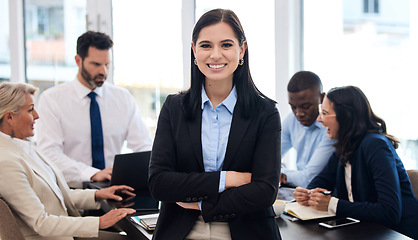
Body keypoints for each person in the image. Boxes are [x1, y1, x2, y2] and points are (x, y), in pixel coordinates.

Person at [148, 8, 281, 240]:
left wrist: (204, 206)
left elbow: (265, 190)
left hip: (247, 230)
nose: (216, 55)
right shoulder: (174, 108)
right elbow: (159, 183)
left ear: (242, 49)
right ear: (194, 50)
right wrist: (227, 179)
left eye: (226, 45)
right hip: (181, 230)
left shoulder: (265, 113)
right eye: (206, 45)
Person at [0, 82, 136, 240]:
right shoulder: (7, 162)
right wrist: (99, 222)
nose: (37, 115)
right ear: (9, 117)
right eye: (30, 109)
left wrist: (98, 194)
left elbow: (55, 196)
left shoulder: (26, 146)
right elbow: (41, 222)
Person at [293, 86, 418, 239]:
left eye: (324, 113)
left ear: (345, 116)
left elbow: (389, 211)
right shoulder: (344, 146)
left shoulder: (375, 145)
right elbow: (322, 180)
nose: (319, 119)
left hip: (397, 233)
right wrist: (307, 193)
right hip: (365, 230)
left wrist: (333, 204)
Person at [36, 31, 153, 188]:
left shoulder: (123, 98)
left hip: (114, 188)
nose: (103, 72)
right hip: (71, 191)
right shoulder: (52, 99)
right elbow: (49, 154)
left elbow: (144, 146)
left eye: (107, 64)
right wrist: (91, 173)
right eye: (96, 65)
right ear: (78, 61)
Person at [280, 71, 335, 188]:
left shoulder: (330, 128)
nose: (299, 113)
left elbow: (308, 179)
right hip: (301, 192)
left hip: (323, 192)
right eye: (293, 107)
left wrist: (280, 173)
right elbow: (267, 159)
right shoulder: (291, 120)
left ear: (322, 98)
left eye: (306, 106)